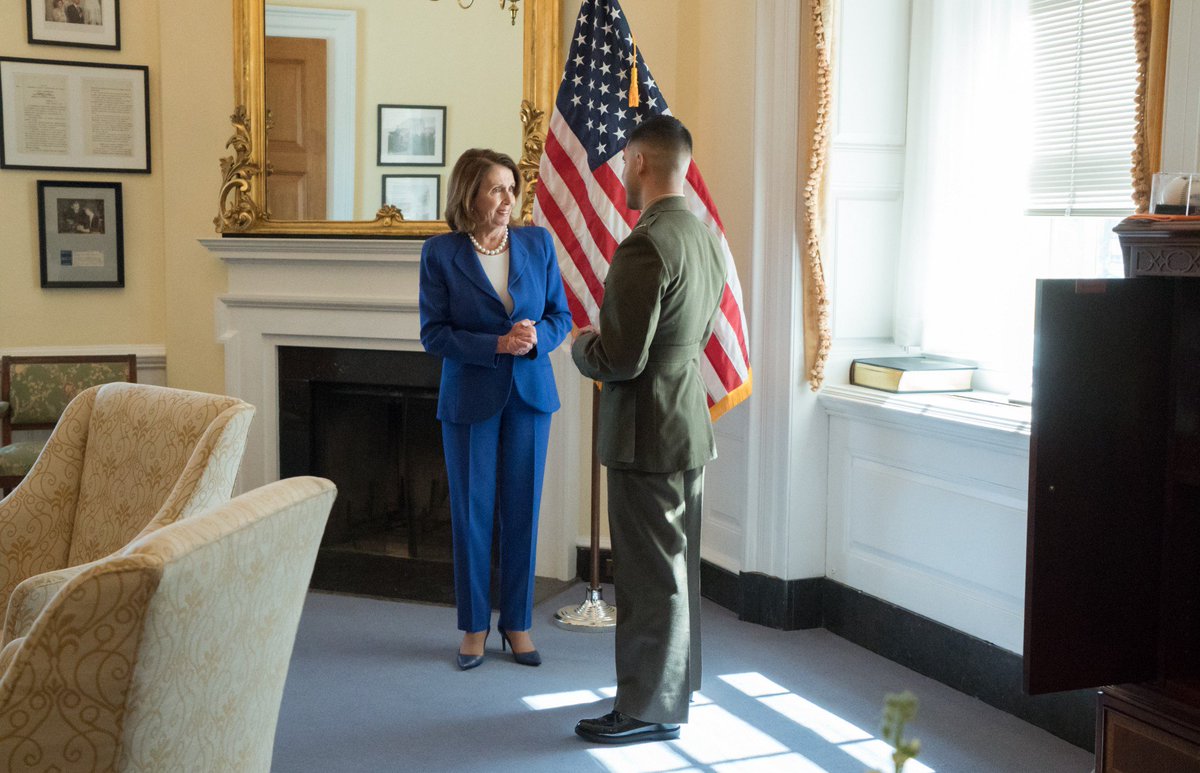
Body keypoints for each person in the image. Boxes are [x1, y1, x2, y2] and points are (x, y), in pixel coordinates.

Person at [571, 115, 727, 744]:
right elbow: (700, 332)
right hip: (685, 421)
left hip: (644, 431)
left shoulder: (647, 242)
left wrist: (583, 347)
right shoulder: (702, 235)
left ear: (639, 159)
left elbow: (622, 357)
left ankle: (644, 711)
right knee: (678, 570)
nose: (621, 170)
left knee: (644, 577)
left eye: (624, 160)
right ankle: (672, 692)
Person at [419, 148, 572, 671]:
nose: (508, 199)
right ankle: (474, 626)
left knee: (522, 512)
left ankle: (518, 624)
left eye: (512, 188)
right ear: (470, 194)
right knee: (472, 513)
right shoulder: (440, 254)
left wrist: (533, 340)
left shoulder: (537, 242)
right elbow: (433, 333)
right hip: (469, 399)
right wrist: (495, 346)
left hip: (530, 396)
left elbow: (560, 316)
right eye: (496, 189)